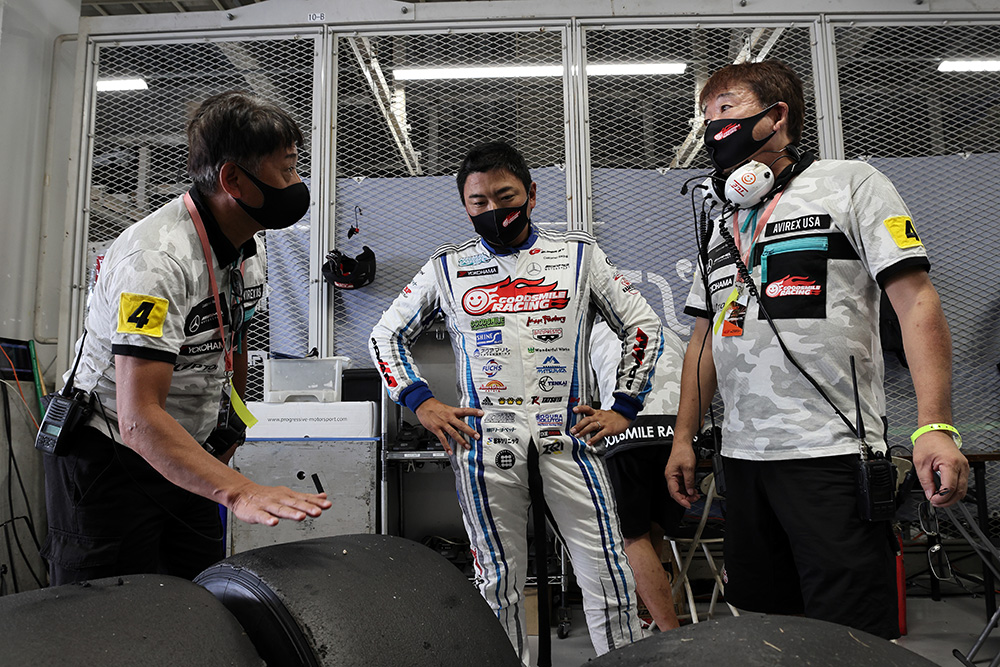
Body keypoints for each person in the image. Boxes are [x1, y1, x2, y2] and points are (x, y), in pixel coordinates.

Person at [664, 60, 968, 640]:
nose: (711, 126)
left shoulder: (852, 182)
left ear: (776, 116)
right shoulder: (723, 219)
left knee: (848, 633)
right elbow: (704, 338)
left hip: (830, 452)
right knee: (763, 625)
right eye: (705, 115)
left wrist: (935, 427)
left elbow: (916, 302)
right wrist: (684, 437)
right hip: (742, 461)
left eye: (725, 108)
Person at [370, 140, 662, 662]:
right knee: (496, 579)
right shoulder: (447, 267)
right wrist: (422, 403)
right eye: (478, 202)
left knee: (608, 572)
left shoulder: (579, 256)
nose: (493, 209)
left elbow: (643, 324)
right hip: (484, 441)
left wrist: (625, 405)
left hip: (571, 437)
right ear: (465, 206)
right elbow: (385, 336)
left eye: (505, 197)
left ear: (531, 194)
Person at [41, 91, 331, 586]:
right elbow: (138, 418)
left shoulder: (249, 248)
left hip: (186, 451)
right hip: (113, 454)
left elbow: (233, 342)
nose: (297, 183)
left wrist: (231, 427)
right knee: (110, 610)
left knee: (197, 594)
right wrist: (239, 491)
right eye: (286, 170)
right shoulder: (156, 261)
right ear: (234, 180)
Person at [588, 319, 686, 631]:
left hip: (629, 426)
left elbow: (587, 400)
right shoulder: (668, 332)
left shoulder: (592, 334)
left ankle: (669, 632)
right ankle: (650, 615)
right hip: (678, 430)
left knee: (632, 536)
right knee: (654, 525)